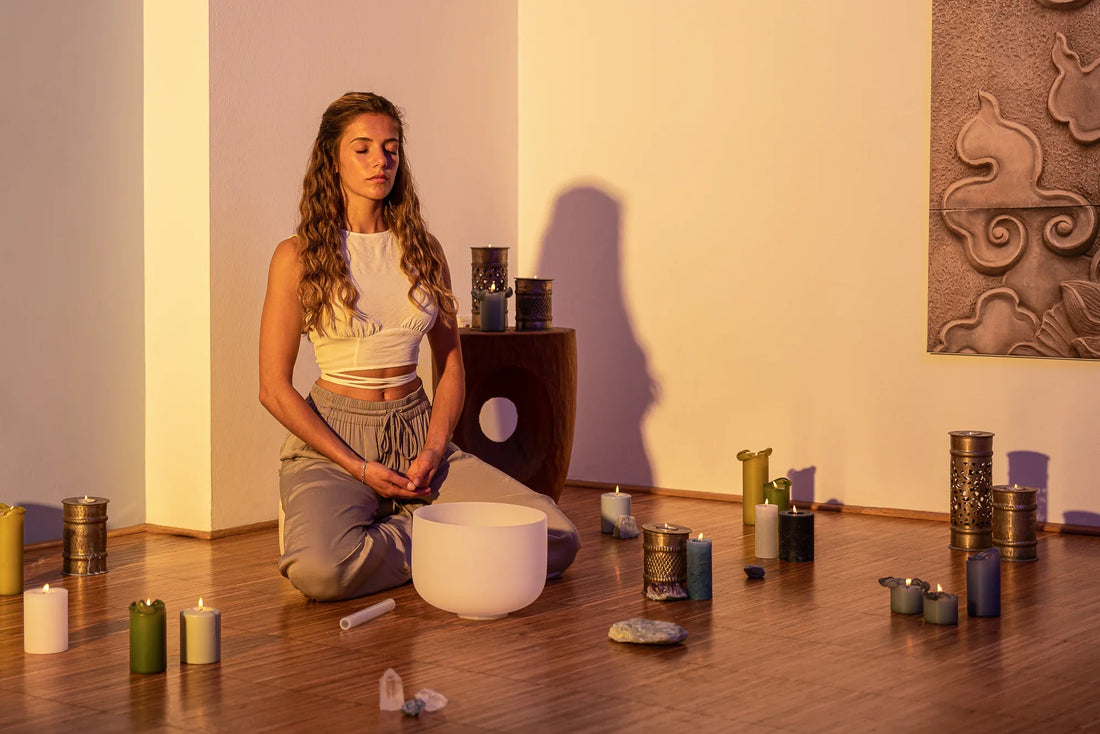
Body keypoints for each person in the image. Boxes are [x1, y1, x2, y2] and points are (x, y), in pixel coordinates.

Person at [259, 92, 580, 602]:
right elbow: (273, 389)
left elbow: (451, 364)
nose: (380, 161)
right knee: (321, 572)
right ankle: (437, 534)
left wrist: (433, 448)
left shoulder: (423, 249)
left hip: (416, 433)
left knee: (557, 537)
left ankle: (413, 529)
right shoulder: (297, 256)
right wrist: (358, 467)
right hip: (334, 440)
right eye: (362, 148)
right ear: (331, 158)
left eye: (390, 148)